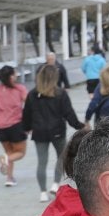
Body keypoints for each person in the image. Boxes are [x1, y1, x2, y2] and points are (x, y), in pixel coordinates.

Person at [22, 63, 86, 202]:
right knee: (61, 158)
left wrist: (26, 128)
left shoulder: (32, 94)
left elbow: (26, 114)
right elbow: (69, 113)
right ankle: (56, 184)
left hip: (39, 132)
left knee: (42, 162)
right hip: (57, 131)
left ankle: (42, 192)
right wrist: (79, 126)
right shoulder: (60, 93)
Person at [0, 65, 28, 186]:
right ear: (11, 77)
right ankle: (6, 161)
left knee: (9, 152)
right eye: (15, 74)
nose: (16, 76)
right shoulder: (20, 89)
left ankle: (9, 178)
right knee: (20, 153)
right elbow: (30, 105)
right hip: (15, 125)